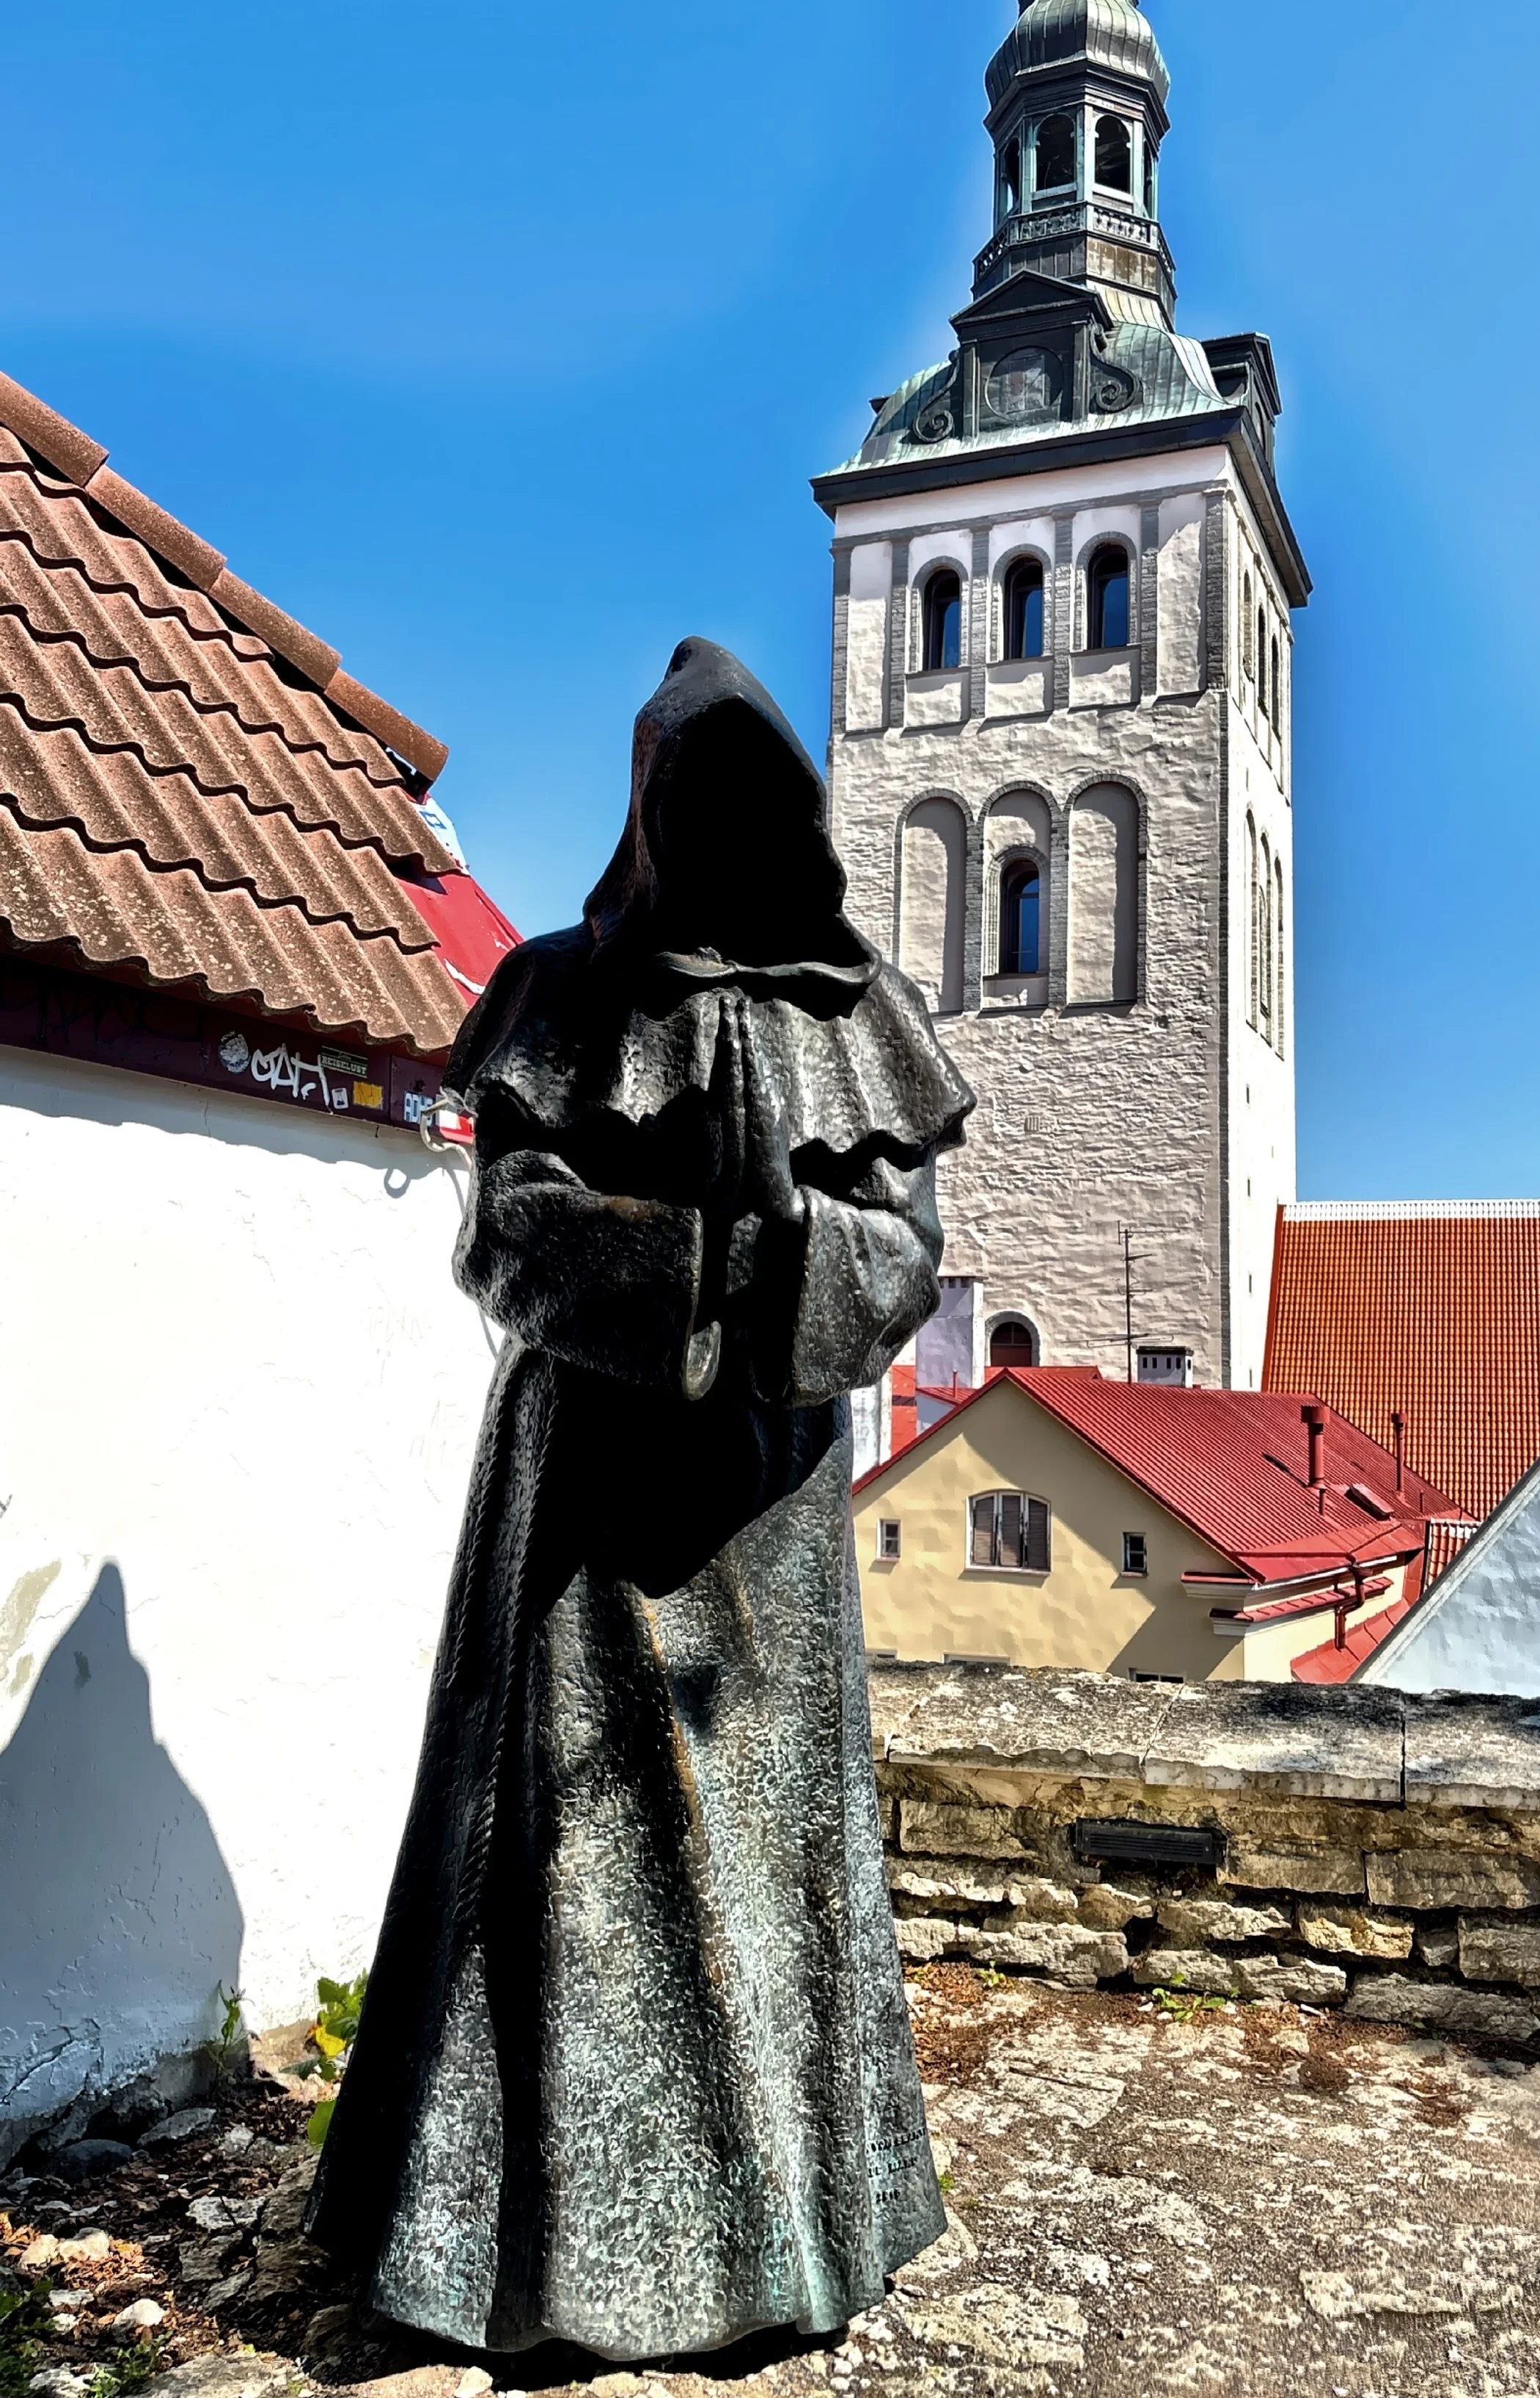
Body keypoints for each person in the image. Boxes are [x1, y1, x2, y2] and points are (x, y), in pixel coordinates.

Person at [307, 639, 972, 2364]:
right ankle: (523, 2260)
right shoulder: (555, 992)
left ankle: (780, 2236)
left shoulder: (860, 1016)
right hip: (588, 1519)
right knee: (557, 1866)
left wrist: (797, 1262)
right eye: (702, 797)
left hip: (768, 1516)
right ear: (653, 810)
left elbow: (906, 1261)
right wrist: (697, 1265)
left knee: (771, 1872)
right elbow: (507, 1241)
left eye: (761, 801)